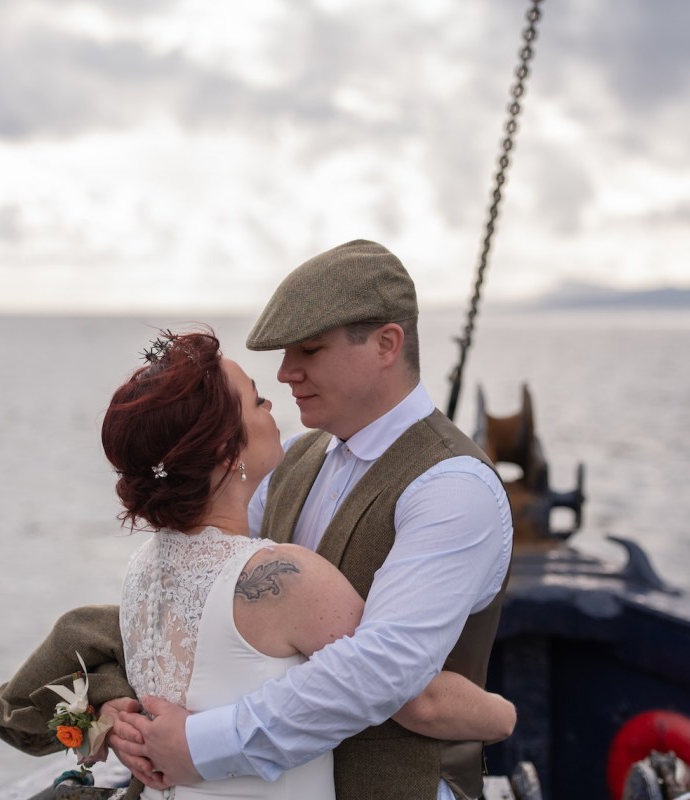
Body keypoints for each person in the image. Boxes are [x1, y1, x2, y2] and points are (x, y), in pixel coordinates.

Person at [111, 240, 514, 800]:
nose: (284, 373)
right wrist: (119, 706)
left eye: (309, 350)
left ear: (386, 344)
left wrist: (199, 746)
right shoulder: (287, 461)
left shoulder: (451, 486)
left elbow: (384, 669)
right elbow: (196, 590)